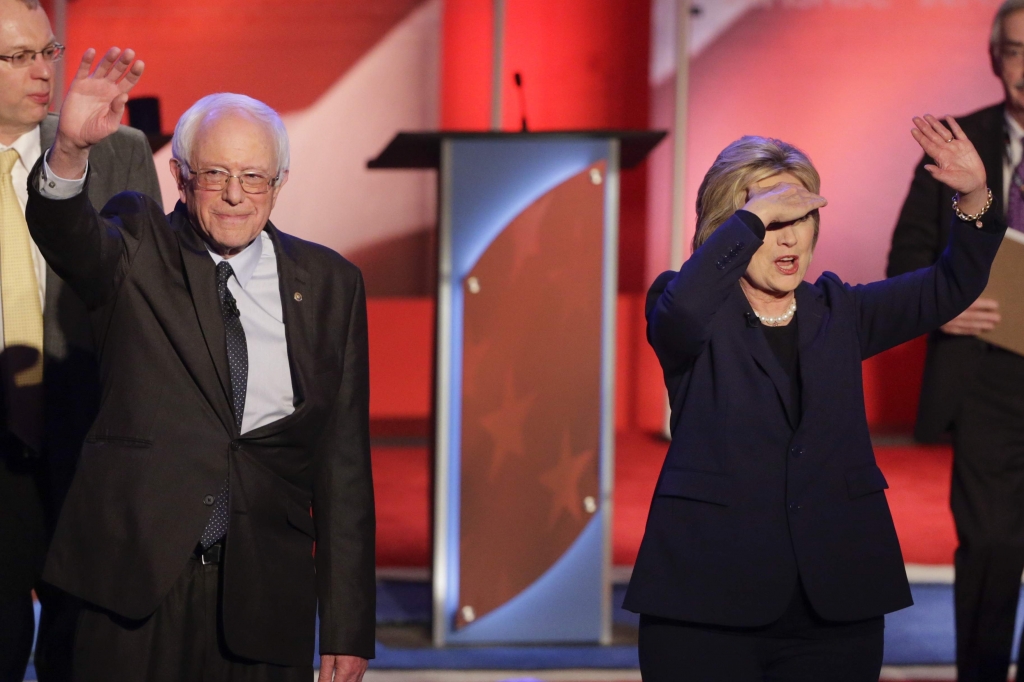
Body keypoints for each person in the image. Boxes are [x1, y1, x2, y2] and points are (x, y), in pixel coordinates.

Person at [26, 47, 375, 682]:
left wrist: (348, 625)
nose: (235, 196)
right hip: (131, 586)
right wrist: (71, 152)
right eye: (215, 175)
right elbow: (66, 233)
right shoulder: (136, 243)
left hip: (264, 591)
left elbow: (343, 464)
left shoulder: (331, 284)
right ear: (182, 177)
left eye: (254, 177)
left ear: (280, 182)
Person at [623, 115, 1004, 682]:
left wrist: (974, 195)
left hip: (834, 606)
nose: (789, 236)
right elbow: (682, 309)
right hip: (706, 605)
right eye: (772, 220)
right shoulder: (688, 310)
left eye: (801, 216)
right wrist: (751, 217)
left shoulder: (840, 310)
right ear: (729, 229)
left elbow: (948, 286)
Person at [0, 1, 160, 680]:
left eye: (48, 52)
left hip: (89, 451)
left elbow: (151, 305)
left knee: (88, 657)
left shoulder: (116, 151)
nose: (43, 72)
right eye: (20, 57)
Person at [888, 4, 1024, 680]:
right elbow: (907, 257)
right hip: (985, 374)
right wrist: (941, 309)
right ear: (996, 58)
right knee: (992, 543)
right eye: (1018, 51)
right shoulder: (957, 141)